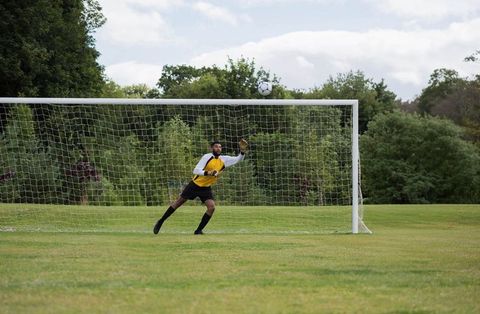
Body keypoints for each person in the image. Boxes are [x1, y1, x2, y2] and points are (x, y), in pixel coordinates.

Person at [153, 139, 248, 235]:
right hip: (195, 185)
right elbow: (196, 170)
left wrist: (242, 151)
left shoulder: (223, 160)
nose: (218, 148)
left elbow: (238, 160)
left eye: (220, 147)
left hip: (206, 188)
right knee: (178, 203)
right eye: (216, 146)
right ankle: (161, 221)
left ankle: (198, 230)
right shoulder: (207, 157)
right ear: (212, 148)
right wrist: (208, 172)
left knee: (211, 207)